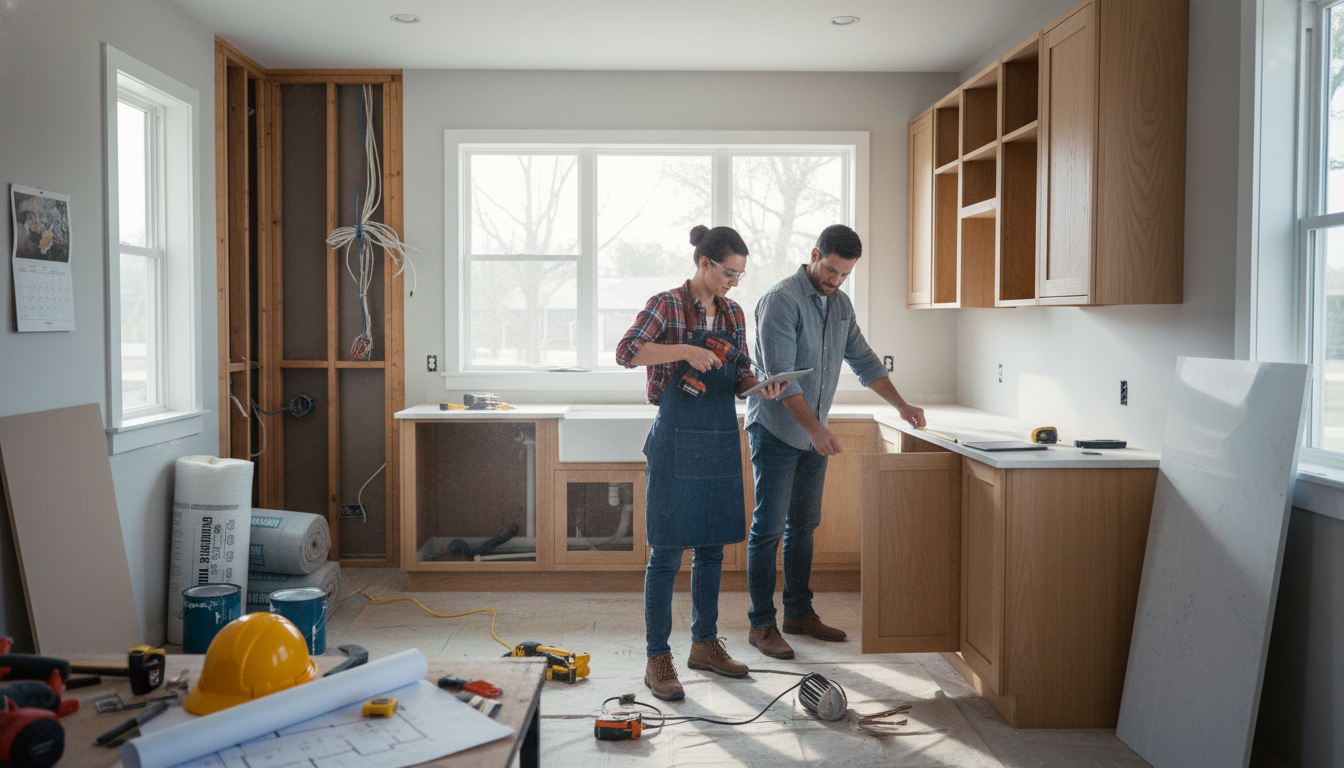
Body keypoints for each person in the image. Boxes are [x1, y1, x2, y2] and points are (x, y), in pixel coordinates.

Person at [616, 224, 784, 701]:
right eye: (729, 273)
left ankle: (705, 644)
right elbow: (627, 352)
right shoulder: (665, 303)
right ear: (705, 263)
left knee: (711, 548)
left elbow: (741, 375)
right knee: (667, 552)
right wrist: (686, 349)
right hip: (674, 437)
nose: (734, 283)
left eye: (740, 275)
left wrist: (760, 387)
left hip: (716, 438)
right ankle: (657, 657)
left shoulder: (732, 313)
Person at [744, 224, 926, 659]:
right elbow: (782, 379)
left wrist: (901, 404)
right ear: (814, 254)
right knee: (768, 529)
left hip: (812, 434)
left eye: (845, 275)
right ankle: (761, 624)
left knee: (804, 526)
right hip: (777, 431)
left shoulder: (840, 304)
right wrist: (815, 429)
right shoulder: (780, 301)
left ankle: (798, 613)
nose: (835, 281)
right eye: (830, 271)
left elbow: (863, 360)